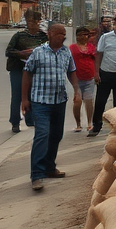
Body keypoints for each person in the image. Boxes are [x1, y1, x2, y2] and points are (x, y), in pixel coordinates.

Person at [21, 23, 78, 191]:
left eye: (64, 34)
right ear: (50, 34)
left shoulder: (66, 52)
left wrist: (77, 90)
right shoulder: (38, 52)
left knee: (56, 135)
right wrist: (24, 99)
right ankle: (37, 175)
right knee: (42, 135)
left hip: (59, 101)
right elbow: (27, 73)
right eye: (59, 33)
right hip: (40, 102)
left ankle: (49, 167)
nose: (62, 36)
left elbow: (71, 71)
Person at [4, 9, 48, 133]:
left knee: (32, 94)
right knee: (17, 96)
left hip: (35, 70)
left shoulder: (43, 36)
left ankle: (30, 119)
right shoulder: (19, 35)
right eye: (29, 21)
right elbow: (8, 51)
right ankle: (15, 122)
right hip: (18, 69)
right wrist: (22, 54)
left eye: (35, 21)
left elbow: (48, 51)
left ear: (39, 22)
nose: (32, 24)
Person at [68, 26, 97, 132]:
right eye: (80, 35)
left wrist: (96, 74)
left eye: (85, 35)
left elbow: (96, 61)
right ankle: (78, 124)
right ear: (77, 36)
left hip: (90, 78)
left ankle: (90, 122)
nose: (83, 37)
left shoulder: (92, 47)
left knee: (89, 100)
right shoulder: (72, 48)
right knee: (77, 101)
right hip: (76, 79)